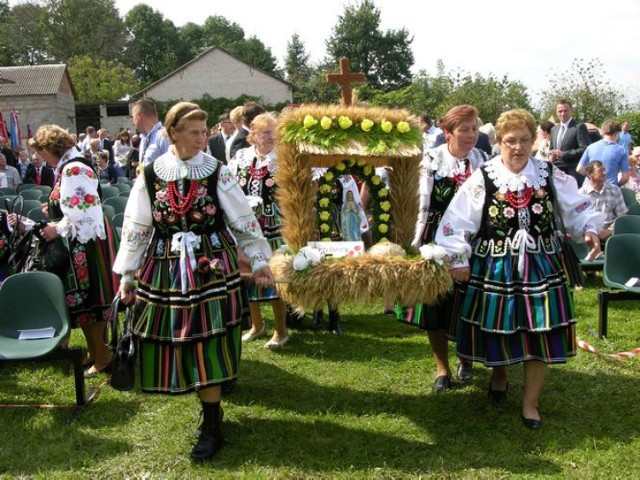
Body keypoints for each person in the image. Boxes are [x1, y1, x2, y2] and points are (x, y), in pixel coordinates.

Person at [113, 102, 274, 461]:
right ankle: (203, 401)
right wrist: (127, 274)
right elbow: (137, 224)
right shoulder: (152, 173)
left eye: (204, 132)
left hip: (212, 264)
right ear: (173, 133)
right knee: (178, 339)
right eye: (195, 132)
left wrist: (260, 260)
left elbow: (242, 218)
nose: (204, 138)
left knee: (210, 339)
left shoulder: (217, 171)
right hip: (165, 267)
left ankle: (212, 424)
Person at [436, 108, 603, 429]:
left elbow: (577, 206)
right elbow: (456, 221)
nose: (518, 147)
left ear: (534, 140)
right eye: (511, 141)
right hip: (494, 266)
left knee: (542, 329)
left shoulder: (549, 173)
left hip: (541, 264)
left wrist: (589, 228)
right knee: (498, 328)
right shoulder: (483, 176)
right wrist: (457, 257)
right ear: (499, 141)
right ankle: (500, 373)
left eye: (525, 140)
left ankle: (530, 403)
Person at [404, 104, 488, 393]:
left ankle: (467, 358)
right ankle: (442, 368)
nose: (471, 135)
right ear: (447, 131)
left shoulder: (485, 163)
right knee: (434, 307)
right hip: (434, 245)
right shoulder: (429, 161)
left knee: (470, 305)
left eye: (475, 129)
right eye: (464, 129)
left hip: (474, 244)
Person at [31, 124, 119, 377]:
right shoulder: (69, 168)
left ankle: (103, 356)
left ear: (50, 148)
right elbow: (74, 204)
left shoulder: (74, 168)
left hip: (87, 242)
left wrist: (56, 229)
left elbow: (84, 212)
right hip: (80, 240)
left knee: (90, 299)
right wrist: (55, 209)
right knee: (83, 301)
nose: (41, 159)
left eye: (42, 152)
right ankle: (95, 352)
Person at [228, 112, 289, 349]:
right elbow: (230, 186)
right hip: (246, 224)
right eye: (266, 132)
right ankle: (257, 324)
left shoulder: (281, 158)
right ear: (253, 134)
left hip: (273, 224)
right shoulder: (241, 156)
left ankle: (281, 330)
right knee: (248, 273)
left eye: (274, 132)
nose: (271, 136)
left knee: (273, 276)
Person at [578, 160, 627, 243]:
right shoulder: (581, 194)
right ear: (590, 174)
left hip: (611, 232)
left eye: (604, 170)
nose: (604, 173)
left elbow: (622, 216)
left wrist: (610, 230)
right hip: (588, 233)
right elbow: (578, 219)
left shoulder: (614, 190)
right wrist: (592, 231)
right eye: (600, 171)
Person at [549, 99, 590, 183]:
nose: (563, 114)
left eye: (565, 111)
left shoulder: (579, 127)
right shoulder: (554, 129)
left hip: (573, 174)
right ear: (556, 112)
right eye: (560, 111)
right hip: (557, 173)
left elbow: (585, 149)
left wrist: (564, 154)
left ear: (571, 111)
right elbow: (552, 148)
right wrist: (550, 156)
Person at [577, 120, 629, 186]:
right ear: (617, 133)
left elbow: (579, 169)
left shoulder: (590, 147)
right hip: (609, 189)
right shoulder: (622, 151)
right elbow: (625, 178)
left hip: (589, 188)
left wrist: (593, 178)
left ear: (602, 132)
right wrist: (616, 186)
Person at [131, 99, 170, 166]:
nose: (133, 122)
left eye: (132, 117)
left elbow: (172, 168)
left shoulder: (165, 137)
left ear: (138, 117)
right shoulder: (144, 138)